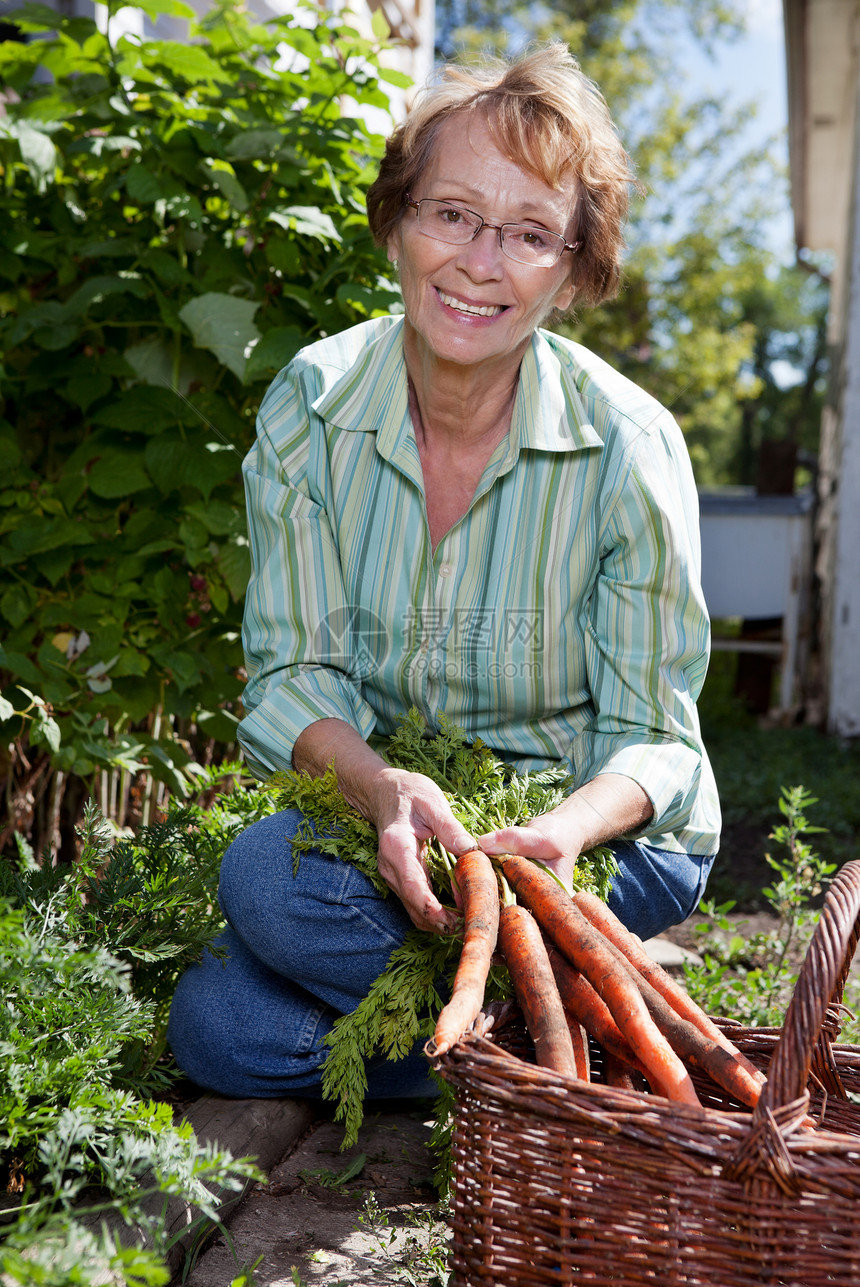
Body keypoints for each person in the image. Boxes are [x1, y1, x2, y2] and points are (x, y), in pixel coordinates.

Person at [167, 41, 721, 1099]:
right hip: (402, 835)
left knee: (257, 943)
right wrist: (382, 790)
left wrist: (550, 842)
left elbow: (656, 740)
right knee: (219, 1014)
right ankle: (571, 1038)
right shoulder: (314, 405)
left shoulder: (626, 446)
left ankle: (547, 999)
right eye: (452, 214)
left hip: (588, 841)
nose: (478, 261)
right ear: (397, 219)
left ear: (571, 271)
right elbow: (294, 678)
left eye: (527, 235)